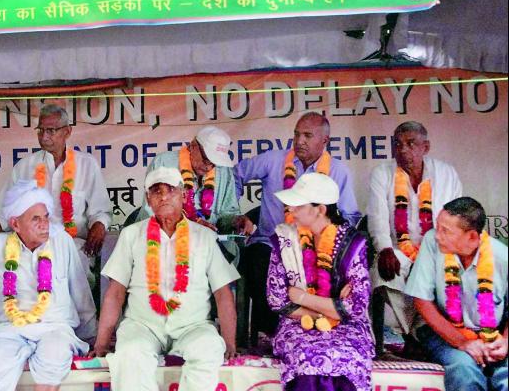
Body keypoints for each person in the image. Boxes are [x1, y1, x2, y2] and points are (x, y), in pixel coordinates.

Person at [93, 167, 239, 391]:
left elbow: (223, 293)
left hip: (194, 326)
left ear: (183, 195)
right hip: (143, 325)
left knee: (210, 348)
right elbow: (115, 292)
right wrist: (102, 342)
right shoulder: (131, 235)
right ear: (147, 199)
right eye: (156, 191)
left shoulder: (205, 237)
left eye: (171, 190)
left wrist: (229, 342)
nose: (164, 197)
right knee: (130, 354)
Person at [235, 111, 361, 338]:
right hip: (270, 242)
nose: (299, 141)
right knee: (257, 261)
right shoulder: (273, 160)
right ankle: (276, 330)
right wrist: (233, 212)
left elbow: (349, 216)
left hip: (317, 246)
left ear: (324, 141)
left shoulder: (338, 171)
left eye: (307, 135)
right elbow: (235, 174)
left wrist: (331, 243)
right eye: (296, 135)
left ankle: (318, 324)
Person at [0, 180, 97, 391]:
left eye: (46, 217)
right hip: (8, 330)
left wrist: (93, 338)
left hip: (55, 328)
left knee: (54, 355)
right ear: (15, 224)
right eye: (36, 219)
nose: (44, 224)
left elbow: (81, 293)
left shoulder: (62, 241)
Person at [267, 173, 373, 391]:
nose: (290, 210)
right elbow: (277, 300)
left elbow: (356, 308)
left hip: (348, 328)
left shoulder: (352, 244)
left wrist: (302, 297)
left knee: (346, 357)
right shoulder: (285, 240)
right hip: (297, 324)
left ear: (320, 209)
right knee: (306, 355)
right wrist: (329, 309)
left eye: (298, 205)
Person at [0, 104, 112, 283]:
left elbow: (101, 211)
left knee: (79, 269)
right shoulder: (24, 167)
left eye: (51, 131)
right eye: (41, 130)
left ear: (67, 132)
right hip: (29, 247)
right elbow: (0, 214)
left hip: (73, 245)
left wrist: (99, 225)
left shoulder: (87, 165)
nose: (44, 137)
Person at [368, 121, 462, 343]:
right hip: (399, 249)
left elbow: (457, 219)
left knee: (446, 271)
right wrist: (385, 249)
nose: (403, 150)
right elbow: (377, 216)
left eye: (411, 144)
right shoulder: (382, 173)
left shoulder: (446, 174)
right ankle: (412, 333)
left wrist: (435, 251)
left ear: (425, 147)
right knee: (383, 273)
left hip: (438, 249)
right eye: (397, 144)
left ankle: (425, 332)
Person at [405, 197, 507, 391]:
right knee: (464, 368)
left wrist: (506, 342)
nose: (438, 235)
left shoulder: (502, 257)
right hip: (443, 332)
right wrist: (463, 342)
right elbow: (422, 300)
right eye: (438, 227)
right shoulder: (431, 242)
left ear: (472, 237)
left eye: (446, 231)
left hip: (492, 336)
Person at [132, 126, 244, 265]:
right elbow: (153, 214)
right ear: (193, 146)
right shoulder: (164, 164)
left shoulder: (223, 171)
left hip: (208, 243)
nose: (209, 166)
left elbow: (226, 214)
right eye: (206, 159)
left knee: (231, 250)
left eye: (214, 163)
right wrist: (192, 226)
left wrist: (236, 220)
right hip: (167, 240)